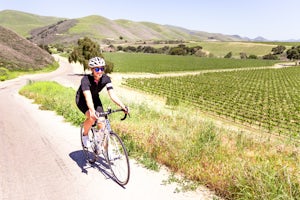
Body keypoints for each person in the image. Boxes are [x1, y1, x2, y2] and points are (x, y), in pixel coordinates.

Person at [76, 57, 128, 148]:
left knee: (102, 122)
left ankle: (102, 145)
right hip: (82, 100)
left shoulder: (106, 79)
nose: (100, 71)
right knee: (92, 118)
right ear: (92, 69)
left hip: (95, 99)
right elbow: (88, 97)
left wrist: (122, 106)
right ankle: (85, 134)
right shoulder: (85, 80)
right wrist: (92, 111)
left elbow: (112, 95)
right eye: (97, 69)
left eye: (102, 68)